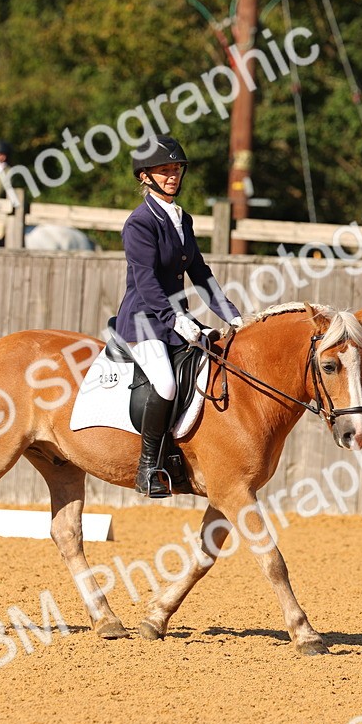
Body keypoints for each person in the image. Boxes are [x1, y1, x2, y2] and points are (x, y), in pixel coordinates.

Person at [115, 135, 244, 498]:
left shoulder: (181, 218)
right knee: (166, 384)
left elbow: (200, 273)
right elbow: (146, 279)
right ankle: (147, 468)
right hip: (143, 321)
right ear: (144, 176)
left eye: (176, 169)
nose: (172, 176)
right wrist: (175, 319)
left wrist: (232, 316)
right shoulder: (140, 223)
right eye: (164, 170)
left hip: (174, 319)